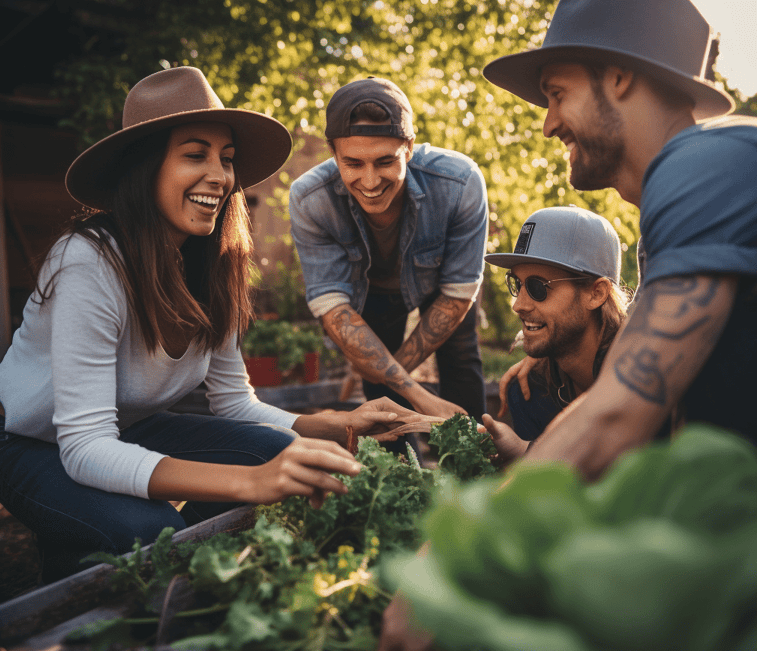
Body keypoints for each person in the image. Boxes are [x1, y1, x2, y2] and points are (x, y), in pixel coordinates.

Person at [378, 0, 756, 645]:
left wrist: (448, 567)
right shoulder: (690, 194)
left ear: (619, 79)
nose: (548, 122)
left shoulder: (702, 165)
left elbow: (617, 412)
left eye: (557, 93)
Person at [0, 67, 418, 583]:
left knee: (286, 455)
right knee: (150, 534)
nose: (221, 176)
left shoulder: (211, 263)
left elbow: (235, 404)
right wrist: (250, 483)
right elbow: (83, 447)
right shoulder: (88, 262)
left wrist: (336, 422)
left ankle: (158, 572)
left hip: (125, 428)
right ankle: (91, 566)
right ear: (144, 168)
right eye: (195, 155)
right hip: (26, 440)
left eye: (227, 159)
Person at [289, 77, 489, 434]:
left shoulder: (459, 183)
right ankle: (401, 477)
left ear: (409, 148)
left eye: (385, 162)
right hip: (371, 293)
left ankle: (475, 471)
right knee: (379, 385)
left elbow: (459, 293)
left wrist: (399, 378)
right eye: (353, 163)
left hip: (442, 286)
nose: (369, 181)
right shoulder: (310, 200)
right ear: (333, 152)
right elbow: (334, 309)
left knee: (460, 359)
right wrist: (410, 390)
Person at [484, 206, 629, 445]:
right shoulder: (530, 392)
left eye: (537, 287)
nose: (518, 305)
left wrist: (525, 454)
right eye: (516, 284)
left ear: (596, 293)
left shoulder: (642, 376)